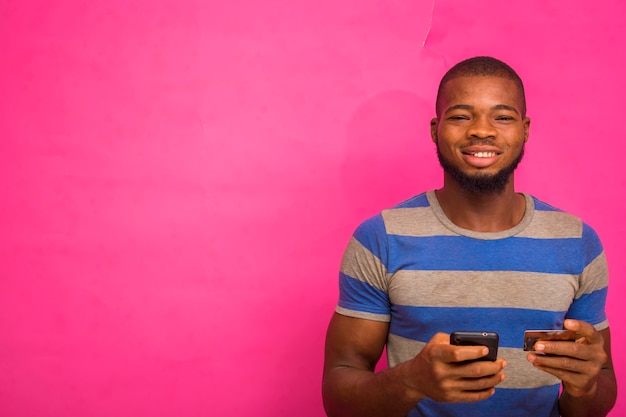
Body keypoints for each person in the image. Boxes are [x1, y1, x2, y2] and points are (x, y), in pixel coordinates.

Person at [322, 56, 617, 417]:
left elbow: (598, 393)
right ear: (435, 129)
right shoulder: (380, 238)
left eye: (503, 117)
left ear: (525, 129)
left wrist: (585, 385)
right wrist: (410, 381)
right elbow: (338, 396)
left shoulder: (577, 242)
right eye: (461, 116)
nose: (481, 130)